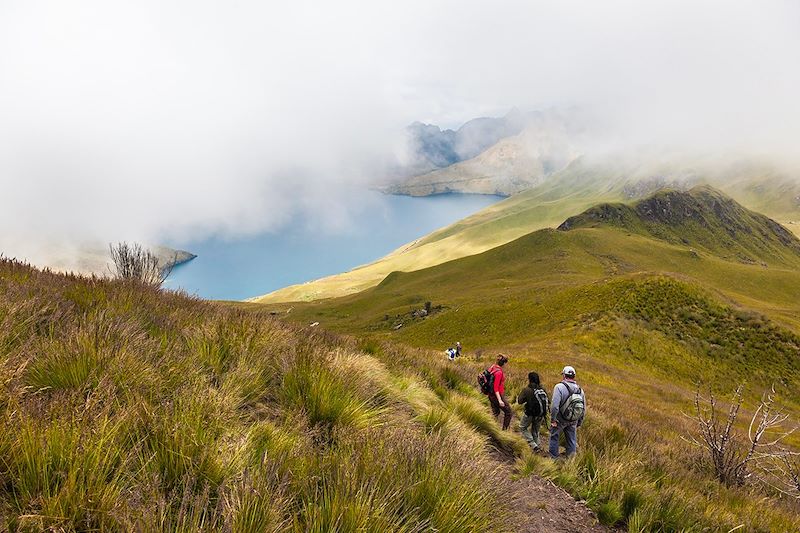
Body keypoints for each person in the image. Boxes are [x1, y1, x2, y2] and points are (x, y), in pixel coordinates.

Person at [549, 365, 586, 459]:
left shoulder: (559, 387)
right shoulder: (580, 390)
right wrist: (579, 421)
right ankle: (570, 461)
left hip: (560, 419)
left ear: (564, 376)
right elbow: (583, 408)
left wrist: (553, 419)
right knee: (571, 440)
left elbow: (554, 406)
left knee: (554, 437)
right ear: (574, 376)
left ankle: (553, 460)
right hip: (573, 419)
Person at [517, 371, 548, 452]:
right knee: (535, 431)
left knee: (522, 427)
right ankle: (538, 446)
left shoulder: (527, 390)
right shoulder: (542, 389)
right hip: (540, 414)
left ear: (529, 379)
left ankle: (533, 445)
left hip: (529, 414)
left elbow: (519, 401)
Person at [486, 354, 512, 430]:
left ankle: (491, 428)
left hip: (490, 395)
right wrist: (500, 400)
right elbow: (496, 387)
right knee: (508, 412)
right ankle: (504, 431)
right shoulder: (499, 373)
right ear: (503, 363)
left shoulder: (492, 367)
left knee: (496, 412)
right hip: (497, 395)